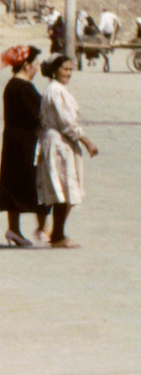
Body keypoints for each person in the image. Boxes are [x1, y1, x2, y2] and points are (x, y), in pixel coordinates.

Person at [36, 54, 98, 248]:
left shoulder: (57, 89)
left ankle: (56, 232)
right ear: (55, 70)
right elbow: (67, 123)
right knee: (63, 186)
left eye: (71, 69)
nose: (68, 73)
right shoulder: (56, 91)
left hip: (58, 141)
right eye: (65, 69)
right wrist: (87, 142)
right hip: (59, 142)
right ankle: (57, 235)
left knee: (63, 186)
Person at [1, 46, 49, 247]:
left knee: (13, 184)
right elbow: (39, 114)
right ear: (27, 65)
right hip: (26, 143)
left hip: (12, 141)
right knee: (37, 182)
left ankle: (14, 229)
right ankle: (43, 229)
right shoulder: (25, 87)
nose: (37, 68)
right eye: (36, 64)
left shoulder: (12, 85)